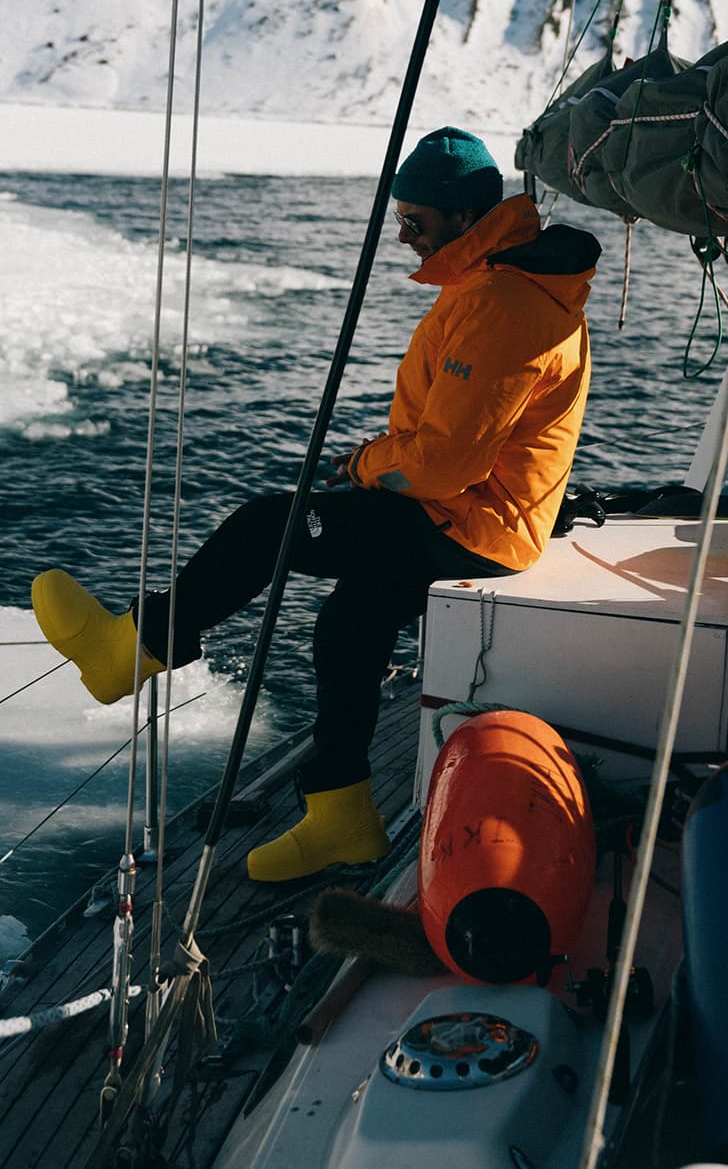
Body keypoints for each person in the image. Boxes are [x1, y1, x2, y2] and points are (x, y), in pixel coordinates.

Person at [31, 128, 600, 882]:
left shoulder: (504, 303)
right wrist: (376, 467)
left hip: (468, 525)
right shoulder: (490, 281)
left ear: (464, 218)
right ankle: (343, 817)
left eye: (416, 222)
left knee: (272, 524)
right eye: (398, 219)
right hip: (472, 513)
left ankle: (130, 651)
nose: (402, 236)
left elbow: (442, 463)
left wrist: (367, 465)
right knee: (348, 625)